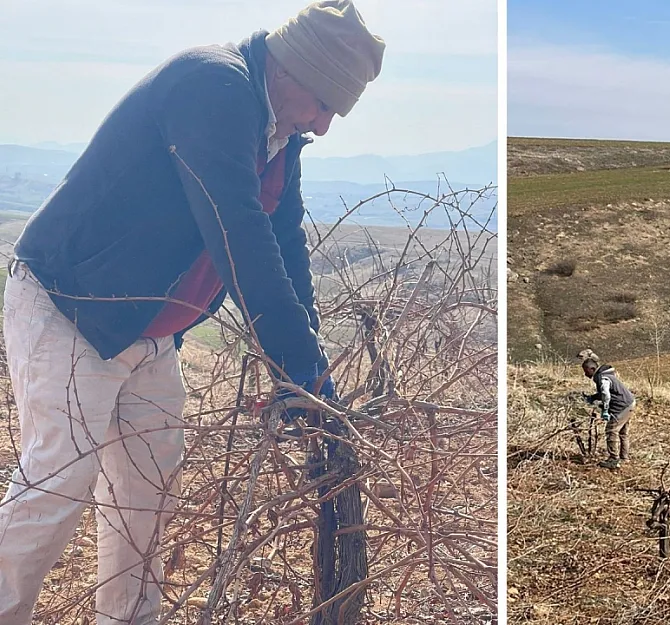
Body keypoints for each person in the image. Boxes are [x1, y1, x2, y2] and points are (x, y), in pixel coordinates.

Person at [0, 2, 385, 622]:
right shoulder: (213, 87)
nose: (325, 124)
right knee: (56, 485)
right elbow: (241, 238)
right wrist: (301, 369)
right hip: (71, 308)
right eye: (322, 104)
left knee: (147, 493)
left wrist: (308, 374)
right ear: (289, 70)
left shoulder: (280, 134)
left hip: (146, 334)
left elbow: (285, 250)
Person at [581, 358, 636, 469]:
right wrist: (593, 397)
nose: (585, 373)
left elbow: (606, 394)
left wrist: (605, 410)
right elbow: (604, 392)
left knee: (611, 430)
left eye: (586, 370)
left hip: (622, 407)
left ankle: (613, 460)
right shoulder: (607, 375)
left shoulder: (602, 378)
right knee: (623, 432)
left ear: (592, 369)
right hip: (630, 403)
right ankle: (624, 458)